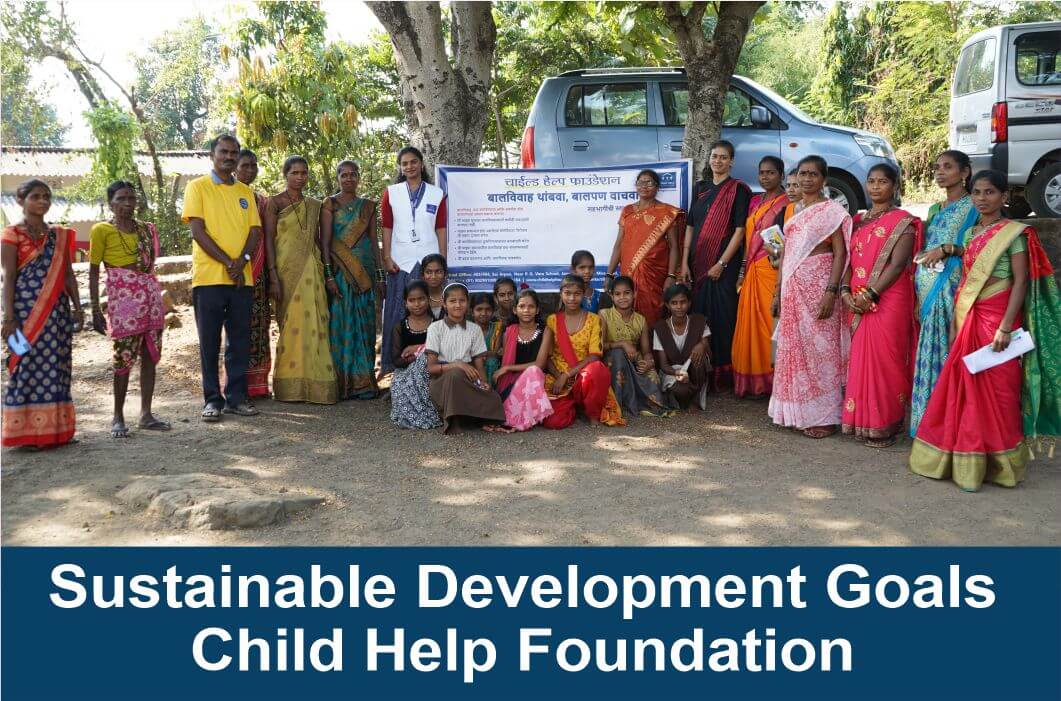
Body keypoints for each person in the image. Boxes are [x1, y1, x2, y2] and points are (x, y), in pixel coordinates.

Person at [910, 170, 1061, 491]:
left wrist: (1006, 326)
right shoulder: (970, 234)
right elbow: (967, 278)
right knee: (964, 390)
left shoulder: (1016, 233)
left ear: (1004, 196)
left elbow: (1021, 281)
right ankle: (966, 460)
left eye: (990, 192)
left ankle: (1000, 465)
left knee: (1001, 392)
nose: (982, 198)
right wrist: (954, 322)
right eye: (977, 192)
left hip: (999, 319)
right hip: (969, 318)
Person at [767, 155, 852, 438]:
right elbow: (788, 252)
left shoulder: (831, 211)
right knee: (795, 350)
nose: (806, 179)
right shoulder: (794, 209)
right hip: (793, 285)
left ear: (823, 179)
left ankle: (824, 416)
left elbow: (840, 252)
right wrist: (778, 291)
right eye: (802, 174)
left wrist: (832, 291)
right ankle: (796, 412)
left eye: (813, 174)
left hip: (819, 284)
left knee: (821, 352)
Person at [182, 134, 263, 422]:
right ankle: (212, 400)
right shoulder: (197, 187)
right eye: (224, 152)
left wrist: (240, 261)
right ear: (212, 154)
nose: (229, 157)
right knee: (209, 342)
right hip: (208, 278)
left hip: (241, 278)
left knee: (240, 339)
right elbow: (198, 231)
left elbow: (255, 231)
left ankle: (237, 398)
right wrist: (229, 262)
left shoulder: (245, 192)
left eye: (233, 152)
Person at [840, 164, 920, 447]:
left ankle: (887, 423)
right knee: (862, 359)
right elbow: (849, 260)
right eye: (871, 181)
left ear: (894, 186)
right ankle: (863, 421)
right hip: (858, 296)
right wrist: (847, 291)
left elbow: (899, 264)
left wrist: (871, 293)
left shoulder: (903, 221)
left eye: (882, 181)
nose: (875, 187)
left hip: (889, 297)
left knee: (888, 358)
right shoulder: (858, 220)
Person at [2, 179, 82, 448]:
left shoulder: (59, 235)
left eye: (46, 196)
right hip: (24, 313)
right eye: (35, 196)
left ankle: (56, 432)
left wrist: (78, 307)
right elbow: (9, 278)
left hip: (57, 312)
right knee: (24, 365)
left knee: (57, 366)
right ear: (20, 200)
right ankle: (25, 433)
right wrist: (8, 318)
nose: (42, 201)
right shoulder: (11, 234)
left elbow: (69, 275)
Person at [88, 181, 168, 438]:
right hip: (123, 299)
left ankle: (146, 414)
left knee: (149, 353)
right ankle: (118, 416)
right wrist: (96, 311)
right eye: (121, 199)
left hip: (150, 295)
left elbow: (150, 265)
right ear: (110, 202)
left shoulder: (145, 229)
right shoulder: (101, 230)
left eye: (131, 199)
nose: (127, 204)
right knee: (123, 356)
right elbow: (93, 271)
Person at [910, 150, 977, 436]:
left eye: (947, 167)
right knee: (929, 350)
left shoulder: (975, 206)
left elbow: (981, 248)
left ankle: (949, 425)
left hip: (952, 287)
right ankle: (926, 423)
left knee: (949, 350)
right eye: (937, 167)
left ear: (964, 173)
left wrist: (949, 249)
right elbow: (925, 249)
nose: (939, 172)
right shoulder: (935, 210)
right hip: (926, 287)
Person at [264, 155, 337, 405]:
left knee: (316, 321)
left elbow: (317, 240)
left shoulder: (315, 205)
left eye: (304, 173)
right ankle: (289, 386)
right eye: (295, 172)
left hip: (311, 270)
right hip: (285, 271)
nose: (300, 177)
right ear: (285, 174)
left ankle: (317, 384)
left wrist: (326, 271)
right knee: (291, 324)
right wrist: (272, 274)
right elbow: (269, 239)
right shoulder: (273, 203)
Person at [682, 140, 752, 390]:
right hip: (697, 263)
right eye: (715, 156)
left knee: (724, 317)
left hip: (724, 266)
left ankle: (725, 375)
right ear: (709, 158)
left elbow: (740, 230)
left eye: (724, 157)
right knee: (700, 315)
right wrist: (684, 262)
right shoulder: (700, 188)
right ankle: (702, 374)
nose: (718, 161)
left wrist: (722, 263)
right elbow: (690, 226)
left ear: (731, 161)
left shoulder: (738, 190)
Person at [380, 146, 447, 375]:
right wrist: (386, 256)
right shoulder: (392, 192)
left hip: (428, 261)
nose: (409, 167)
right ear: (400, 167)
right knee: (397, 312)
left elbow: (441, 228)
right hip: (400, 261)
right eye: (405, 163)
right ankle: (392, 367)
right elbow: (387, 227)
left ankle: (429, 367)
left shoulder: (436, 194)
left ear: (421, 164)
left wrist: (442, 260)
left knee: (429, 311)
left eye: (413, 162)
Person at [321, 160, 381, 400]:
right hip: (340, 273)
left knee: (365, 326)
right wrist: (328, 275)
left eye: (352, 175)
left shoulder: (367, 206)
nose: (348, 179)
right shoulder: (330, 204)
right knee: (342, 325)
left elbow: (374, 243)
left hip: (364, 273)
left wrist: (380, 276)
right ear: (338, 178)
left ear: (358, 177)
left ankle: (365, 382)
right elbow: (325, 243)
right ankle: (344, 384)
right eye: (343, 175)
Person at [732, 156, 788, 398]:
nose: (765, 177)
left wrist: (778, 264)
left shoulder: (786, 202)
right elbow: (748, 237)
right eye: (762, 172)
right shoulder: (755, 201)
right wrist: (743, 269)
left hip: (771, 268)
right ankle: (752, 383)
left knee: (769, 324)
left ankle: (773, 382)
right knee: (750, 325)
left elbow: (782, 240)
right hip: (753, 268)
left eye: (771, 173)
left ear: (781, 175)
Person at [543, 274, 625, 429]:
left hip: (584, 378)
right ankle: (574, 406)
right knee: (554, 422)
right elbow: (547, 357)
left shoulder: (594, 320)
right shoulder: (552, 320)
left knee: (597, 370)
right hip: (559, 381)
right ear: (561, 294)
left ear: (583, 294)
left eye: (577, 294)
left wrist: (568, 374)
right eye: (567, 293)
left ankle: (592, 413)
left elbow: (594, 356)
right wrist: (559, 377)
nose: (572, 298)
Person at [425, 283, 508, 434]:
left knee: (493, 398)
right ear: (444, 303)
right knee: (455, 375)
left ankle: (469, 417)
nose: (458, 305)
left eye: (462, 300)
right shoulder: (435, 328)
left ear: (467, 303)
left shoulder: (474, 329)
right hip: (442, 380)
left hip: (468, 378)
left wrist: (483, 383)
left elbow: (479, 365)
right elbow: (431, 368)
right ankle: (455, 420)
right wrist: (458, 365)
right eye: (452, 301)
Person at [605, 169, 682, 327]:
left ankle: (653, 350)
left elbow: (674, 247)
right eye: (640, 182)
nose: (644, 186)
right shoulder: (627, 211)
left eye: (649, 183)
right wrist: (609, 273)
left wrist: (671, 275)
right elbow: (619, 244)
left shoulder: (667, 212)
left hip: (655, 274)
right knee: (627, 311)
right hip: (629, 271)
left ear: (657, 187)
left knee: (654, 314)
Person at [600, 276, 672, 417]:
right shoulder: (604, 315)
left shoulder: (640, 320)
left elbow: (646, 351)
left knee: (652, 377)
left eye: (627, 293)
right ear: (611, 296)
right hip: (612, 360)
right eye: (618, 294)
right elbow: (600, 346)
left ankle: (641, 404)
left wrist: (649, 363)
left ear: (634, 294)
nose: (622, 298)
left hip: (634, 360)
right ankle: (619, 404)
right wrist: (621, 344)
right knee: (619, 355)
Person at [234, 149, 273, 398]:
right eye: (245, 165)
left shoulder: (262, 201)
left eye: (253, 165)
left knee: (260, 327)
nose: (250, 170)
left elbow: (268, 236)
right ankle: (236, 386)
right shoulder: (226, 197)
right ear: (235, 167)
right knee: (238, 328)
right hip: (233, 270)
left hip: (259, 273)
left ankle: (258, 385)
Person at [493, 288, 554, 431]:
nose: (526, 310)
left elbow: (540, 364)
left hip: (536, 380)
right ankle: (519, 417)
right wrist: (507, 369)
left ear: (537, 310)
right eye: (522, 306)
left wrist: (507, 368)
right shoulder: (509, 331)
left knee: (533, 371)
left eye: (531, 306)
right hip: (512, 381)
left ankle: (521, 419)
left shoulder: (545, 331)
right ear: (515, 310)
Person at [389, 281, 442, 429]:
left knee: (426, 358)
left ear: (428, 299)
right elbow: (396, 360)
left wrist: (420, 351)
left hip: (432, 370)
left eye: (421, 299)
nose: (417, 304)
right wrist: (415, 359)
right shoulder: (400, 327)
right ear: (405, 303)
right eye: (412, 300)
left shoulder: (437, 325)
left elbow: (443, 350)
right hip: (405, 372)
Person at [653, 284, 711, 411]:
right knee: (681, 390)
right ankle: (680, 398)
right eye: (674, 303)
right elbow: (663, 365)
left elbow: (705, 342)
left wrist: (701, 345)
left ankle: (695, 399)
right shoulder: (660, 328)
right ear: (668, 305)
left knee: (699, 357)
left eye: (683, 302)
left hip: (694, 369)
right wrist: (677, 373)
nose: (679, 307)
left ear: (689, 303)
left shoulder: (698, 321)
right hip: (673, 371)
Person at [471, 292, 502, 385]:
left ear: (493, 311)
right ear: (472, 311)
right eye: (479, 309)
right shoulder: (467, 329)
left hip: (491, 367)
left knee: (492, 361)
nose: (484, 313)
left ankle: (491, 393)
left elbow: (495, 353)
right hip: (472, 367)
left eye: (488, 309)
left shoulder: (497, 328)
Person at [420, 253, 448, 321]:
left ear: (445, 274)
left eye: (438, 271)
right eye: (428, 272)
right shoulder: (417, 297)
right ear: (422, 275)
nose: (433, 277)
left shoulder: (451, 295)